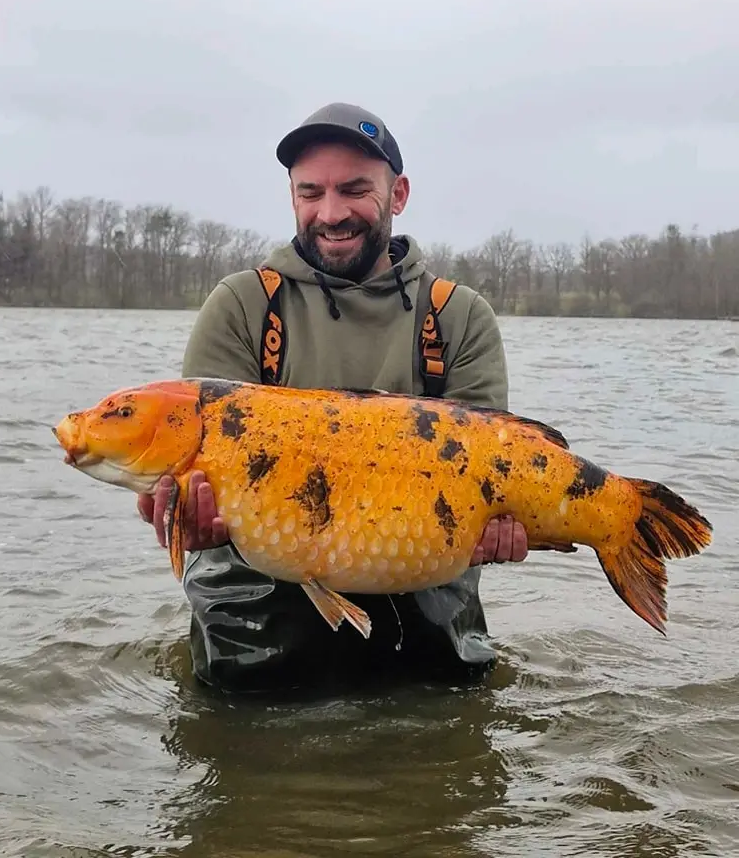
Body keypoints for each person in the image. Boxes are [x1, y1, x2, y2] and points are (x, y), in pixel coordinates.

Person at [139, 102, 529, 694]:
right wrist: (184, 517)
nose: (331, 212)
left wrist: (504, 529)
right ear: (292, 196)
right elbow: (200, 478)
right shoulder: (242, 306)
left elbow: (500, 471)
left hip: (425, 629)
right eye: (310, 192)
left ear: (397, 194)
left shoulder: (458, 317)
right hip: (256, 639)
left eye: (354, 190)